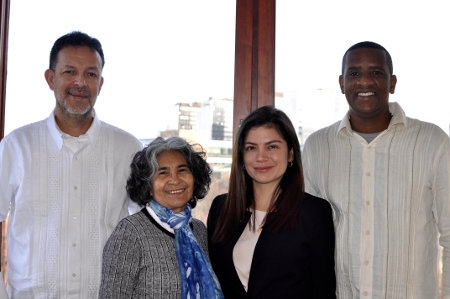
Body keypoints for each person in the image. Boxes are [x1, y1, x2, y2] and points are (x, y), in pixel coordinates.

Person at [302, 41, 450, 298]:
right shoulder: (317, 147)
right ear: (342, 83)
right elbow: (305, 238)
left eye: (376, 73)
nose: (365, 82)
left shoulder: (433, 142)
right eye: (355, 73)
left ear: (392, 83)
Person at [0, 31, 143, 297]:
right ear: (50, 78)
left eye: (90, 74)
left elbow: (150, 226)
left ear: (100, 83)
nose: (80, 82)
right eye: (69, 72)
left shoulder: (129, 149)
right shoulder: (15, 146)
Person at [207, 106, 336, 298]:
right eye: (251, 148)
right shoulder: (221, 208)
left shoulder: (314, 212)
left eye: (272, 146)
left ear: (291, 153)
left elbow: (322, 290)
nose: (261, 157)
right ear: (242, 156)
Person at [99, 136, 224, 298]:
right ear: (148, 185)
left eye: (182, 170)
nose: (174, 180)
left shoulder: (199, 230)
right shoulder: (130, 233)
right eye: (163, 172)